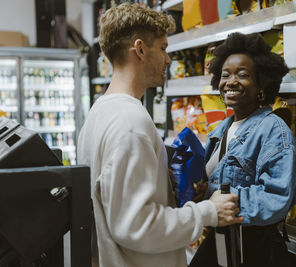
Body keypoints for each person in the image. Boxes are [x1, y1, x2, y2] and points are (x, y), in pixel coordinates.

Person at [77, 3, 243, 267]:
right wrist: (208, 212)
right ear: (140, 49)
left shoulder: (100, 112)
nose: (168, 59)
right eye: (163, 49)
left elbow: (114, 199)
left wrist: (166, 189)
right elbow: (136, 225)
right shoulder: (131, 123)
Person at [192, 32, 296, 266]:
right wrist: (201, 191)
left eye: (242, 75)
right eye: (225, 75)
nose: (231, 81)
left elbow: (276, 197)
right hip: (222, 239)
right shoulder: (222, 130)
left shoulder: (274, 131)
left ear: (261, 83)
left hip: (253, 248)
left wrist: (218, 199)